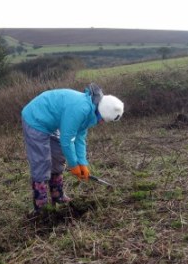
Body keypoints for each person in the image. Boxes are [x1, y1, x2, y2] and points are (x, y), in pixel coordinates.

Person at [21, 83, 124, 217]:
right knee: (42, 162)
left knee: (58, 156)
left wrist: (83, 163)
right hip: (36, 118)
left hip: (52, 122)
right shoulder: (80, 108)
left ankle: (57, 195)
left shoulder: (91, 110)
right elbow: (67, 140)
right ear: (101, 111)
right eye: (102, 119)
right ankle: (41, 206)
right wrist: (74, 165)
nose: (101, 122)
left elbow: (79, 138)